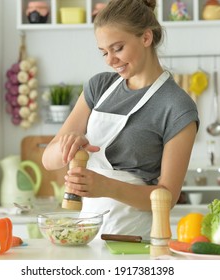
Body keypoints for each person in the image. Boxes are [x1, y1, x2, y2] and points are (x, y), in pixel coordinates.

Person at [42, 0, 199, 239]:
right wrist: (66, 146)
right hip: (86, 232)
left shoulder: (177, 106)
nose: (110, 60)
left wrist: (105, 186)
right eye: (104, 52)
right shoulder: (100, 87)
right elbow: (48, 159)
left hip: (136, 237)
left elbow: (167, 198)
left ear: (146, 38)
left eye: (118, 48)